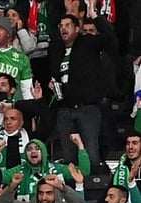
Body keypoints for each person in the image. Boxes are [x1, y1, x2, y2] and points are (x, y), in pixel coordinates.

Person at [49, 5, 115, 167]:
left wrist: (95, 17)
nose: (63, 29)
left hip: (87, 109)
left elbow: (109, 37)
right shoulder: (55, 48)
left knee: (91, 154)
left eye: (68, 25)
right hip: (64, 109)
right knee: (68, 157)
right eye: (61, 26)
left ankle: (93, 189)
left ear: (77, 29)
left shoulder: (88, 43)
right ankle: (72, 190)